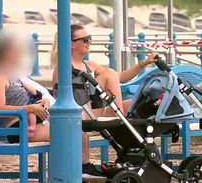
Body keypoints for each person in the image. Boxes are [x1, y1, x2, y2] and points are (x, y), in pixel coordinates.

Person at [51, 24, 157, 177]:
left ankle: (132, 142)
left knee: (131, 104)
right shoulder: (63, 68)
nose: (89, 42)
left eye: (90, 38)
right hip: (79, 114)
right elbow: (62, 97)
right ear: (72, 44)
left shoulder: (89, 65)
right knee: (110, 73)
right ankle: (120, 121)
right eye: (85, 39)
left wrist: (143, 64)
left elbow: (119, 78)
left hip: (92, 111)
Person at [0, 35, 50, 143]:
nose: (20, 53)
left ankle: (84, 161)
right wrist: (31, 108)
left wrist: (44, 101)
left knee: (74, 130)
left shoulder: (16, 75)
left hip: (31, 123)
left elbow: (33, 94)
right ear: (6, 53)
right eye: (17, 50)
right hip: (19, 128)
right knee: (67, 133)